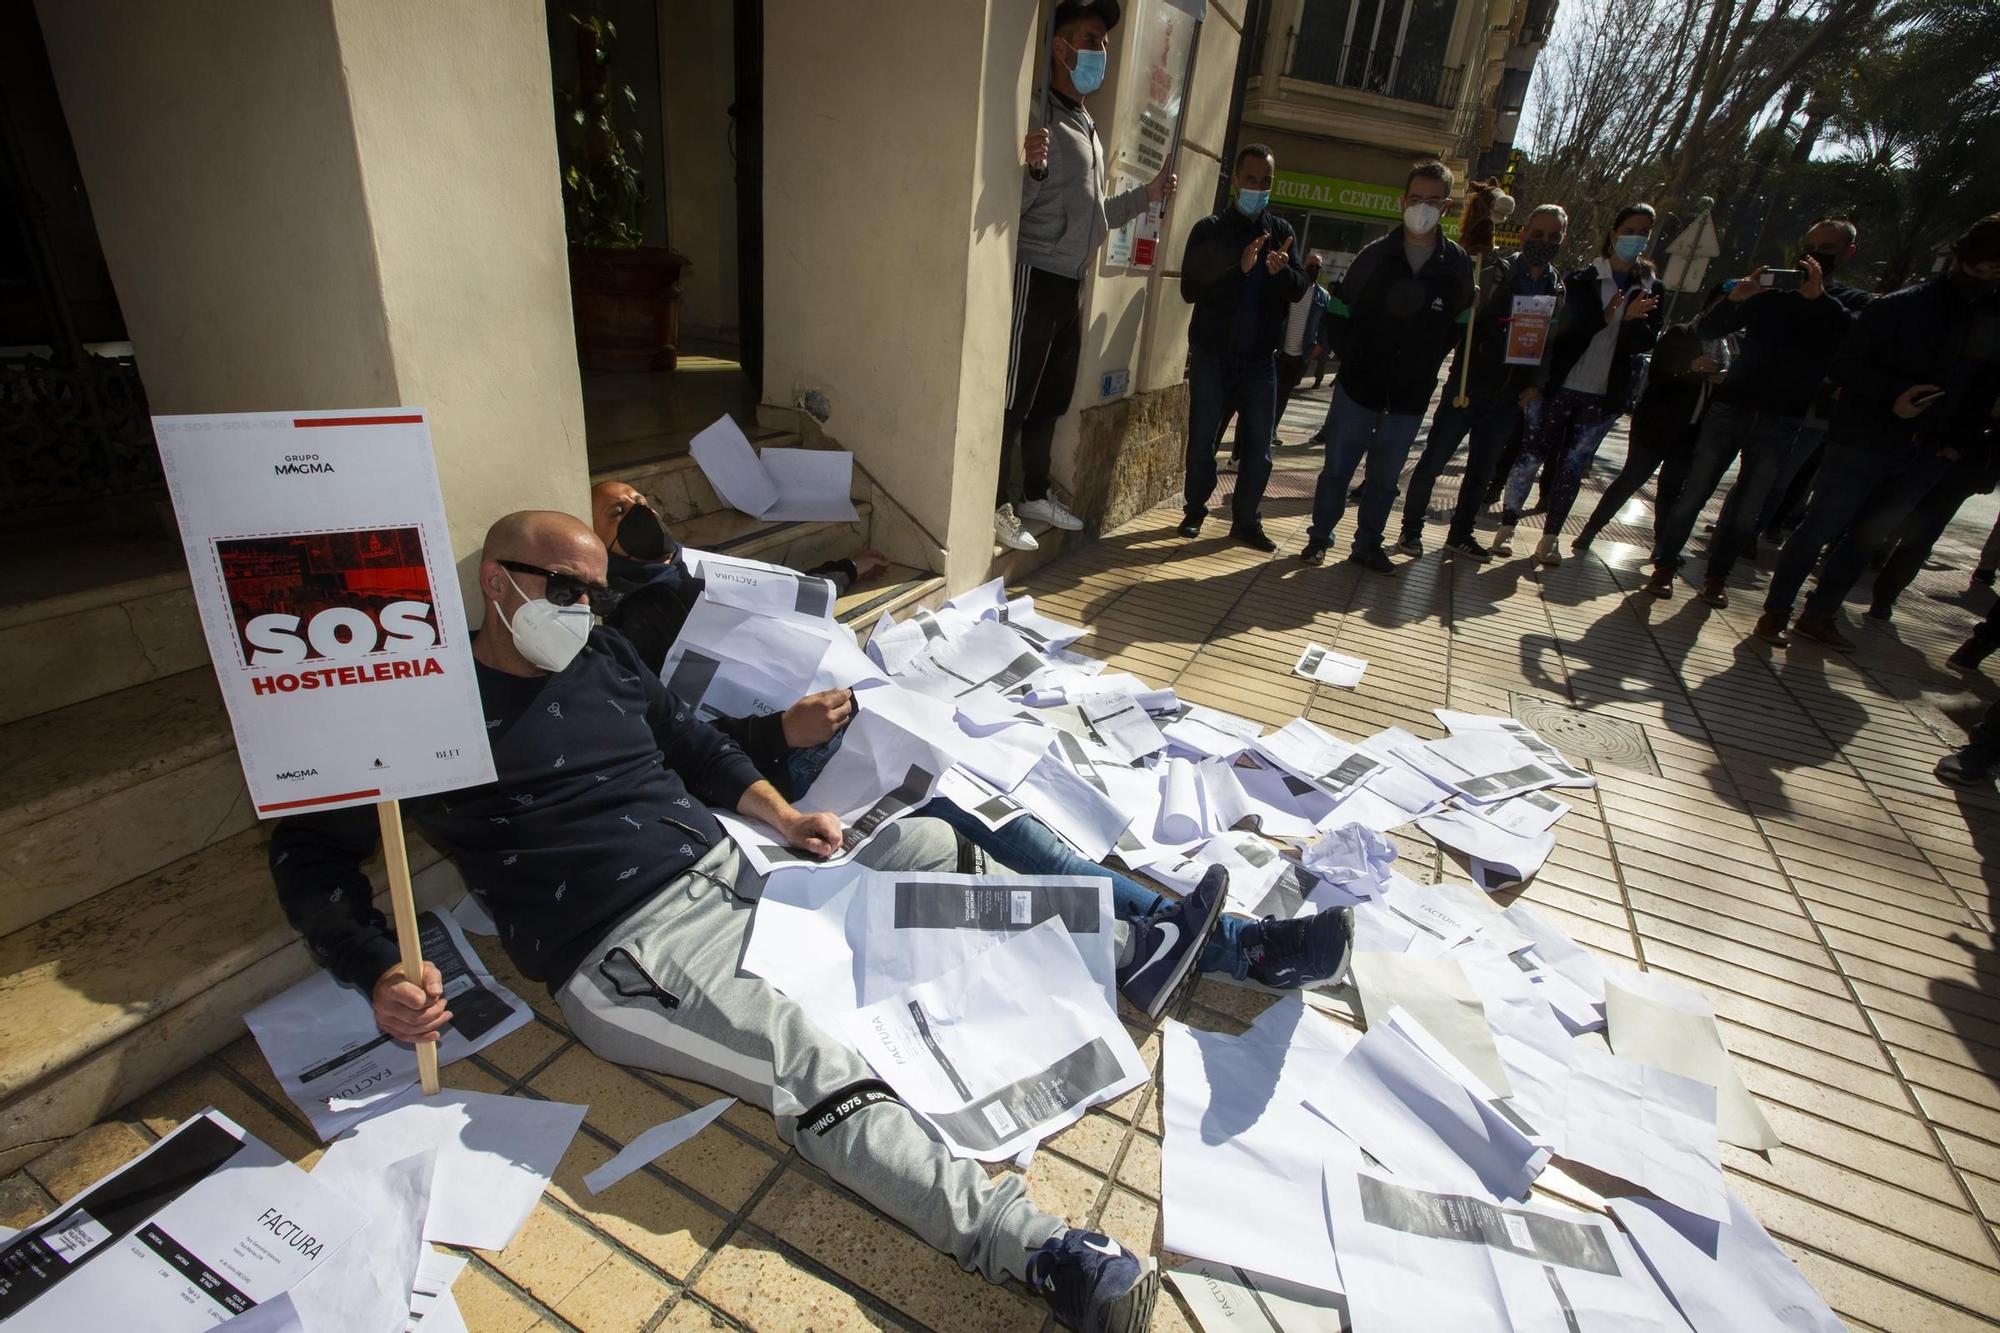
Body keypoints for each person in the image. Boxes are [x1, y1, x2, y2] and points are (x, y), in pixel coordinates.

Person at [268, 511, 1167, 1329]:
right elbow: (309, 856)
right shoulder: (426, 720)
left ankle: (1132, 952)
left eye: (597, 591)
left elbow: (692, 740)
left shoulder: (603, 657)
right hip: (630, 947)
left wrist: (782, 816)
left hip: (744, 873)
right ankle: (1038, 1252)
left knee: (929, 846)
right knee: (806, 1059)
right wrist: (378, 965)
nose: (585, 609)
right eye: (567, 589)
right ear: (497, 583)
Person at [590, 481, 1357, 1014]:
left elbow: (785, 599)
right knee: (1009, 832)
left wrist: (848, 571)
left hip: (873, 713)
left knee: (1024, 806)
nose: (637, 509)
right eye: (615, 511)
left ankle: (1162, 934)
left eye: (640, 499)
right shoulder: (635, 626)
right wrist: (776, 733)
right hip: (816, 759)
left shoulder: (702, 569)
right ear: (598, 551)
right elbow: (668, 742)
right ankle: (1239, 947)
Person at [1754, 214, 2000, 650]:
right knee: (1819, 527)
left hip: (1927, 451)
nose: (1983, 281)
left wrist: (1956, 444)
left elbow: (1984, 388)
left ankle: (1820, 614)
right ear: (1960, 257)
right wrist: (1894, 397)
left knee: (1868, 539)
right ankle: (1776, 612)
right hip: (1863, 439)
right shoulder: (1899, 306)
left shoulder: (1993, 320)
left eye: (1996, 273)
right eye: (1979, 269)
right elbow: (1845, 366)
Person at [999, 0, 1177, 554]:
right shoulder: (1038, 113)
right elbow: (1014, 203)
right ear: (1060, 47)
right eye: (1092, 39)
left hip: (1070, 281)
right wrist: (1031, 168)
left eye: (1103, 41)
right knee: (1014, 397)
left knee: (1051, 395)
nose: (1101, 51)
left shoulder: (1085, 124)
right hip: (1035, 272)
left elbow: (1094, 212)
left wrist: (1145, 197)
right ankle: (995, 504)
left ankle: (1031, 493)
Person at [1639, 225, 1857, 605]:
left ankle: (1716, 578)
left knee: (1748, 509)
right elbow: (1707, 328)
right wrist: (1736, 299)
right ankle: (1664, 566)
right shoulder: (1774, 293)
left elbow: (1851, 347)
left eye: (1827, 248)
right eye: (1811, 246)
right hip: (1731, 406)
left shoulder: (1843, 303)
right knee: (1693, 494)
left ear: (1847, 253)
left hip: (1782, 418)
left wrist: (1819, 299)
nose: (1815, 254)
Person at [1296, 161, 1473, 571]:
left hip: (1409, 397)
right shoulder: (1374, 255)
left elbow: (1459, 324)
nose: (1422, 207)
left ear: (1446, 206)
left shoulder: (1458, 267)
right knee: (1337, 470)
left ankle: (1368, 544)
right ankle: (1319, 537)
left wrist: (1425, 361)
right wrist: (1353, 358)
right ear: (1402, 201)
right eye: (1415, 199)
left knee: (1384, 479)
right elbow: (1338, 311)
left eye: (1432, 200)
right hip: (1358, 388)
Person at [1393, 202, 1568, 562]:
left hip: (1509, 397)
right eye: (1538, 234)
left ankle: (1461, 535)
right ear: (1523, 234)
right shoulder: (1494, 272)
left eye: (1553, 236)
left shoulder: (1556, 289)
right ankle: (1410, 532)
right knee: (1433, 461)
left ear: (1562, 240)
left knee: (1481, 472)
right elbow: (1458, 322)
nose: (1544, 242)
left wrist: (1537, 383)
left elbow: (1550, 344)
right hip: (1469, 387)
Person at [1492, 204, 1663, 565]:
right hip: (1558, 386)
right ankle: (1505, 527)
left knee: (1572, 468)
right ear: (1614, 233)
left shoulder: (1650, 288)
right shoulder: (1581, 280)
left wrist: (1630, 321)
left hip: (1602, 397)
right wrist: (1606, 318)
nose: (1637, 238)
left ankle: (1550, 538)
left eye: (1645, 232)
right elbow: (1561, 336)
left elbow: (1644, 345)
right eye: (1630, 229)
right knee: (1531, 455)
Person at [1178, 143, 1311, 550]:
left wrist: (1281, 273)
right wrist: (1239, 271)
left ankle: (1246, 521)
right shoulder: (1209, 229)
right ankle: (1195, 511)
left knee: (1259, 447)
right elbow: (1189, 289)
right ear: (1236, 181)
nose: (1258, 187)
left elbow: (1301, 288)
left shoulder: (1282, 234)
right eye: (1251, 179)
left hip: (1259, 363)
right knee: (1203, 440)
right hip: (1211, 357)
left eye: (1266, 181)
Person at [1571, 286, 1730, 557]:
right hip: (1656, 427)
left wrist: (1723, 378)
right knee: (1631, 479)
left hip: (1691, 432)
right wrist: (1691, 369)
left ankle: (1662, 548)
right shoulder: (1681, 333)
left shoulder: (1725, 347)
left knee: (1671, 491)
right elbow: (1658, 373)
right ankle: (1590, 530)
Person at [1275, 253, 1331, 437]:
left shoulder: (1322, 296)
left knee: (1283, 394)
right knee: (1270, 392)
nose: (1314, 269)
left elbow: (1325, 324)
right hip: (1279, 349)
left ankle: (1271, 431)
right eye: (1311, 264)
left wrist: (1320, 345)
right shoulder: (1291, 287)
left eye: (1317, 266)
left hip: (1301, 354)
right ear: (1303, 264)